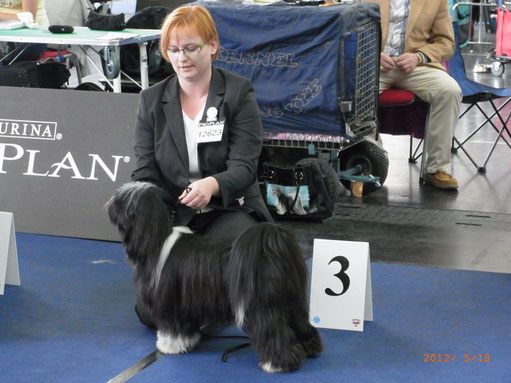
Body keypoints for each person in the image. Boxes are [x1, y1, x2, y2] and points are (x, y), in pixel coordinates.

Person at [130, 5, 272, 327]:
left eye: (191, 48)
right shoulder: (151, 100)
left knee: (228, 262)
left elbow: (245, 167)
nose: (182, 58)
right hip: (176, 215)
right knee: (150, 314)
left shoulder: (237, 92)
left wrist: (212, 185)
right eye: (174, 49)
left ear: (213, 45)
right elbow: (144, 173)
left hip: (230, 208)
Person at [364, 0, 462, 190]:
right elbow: (350, 31)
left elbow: (446, 43)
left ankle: (436, 169)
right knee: (354, 91)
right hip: (373, 63)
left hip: (417, 66)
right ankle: (371, 162)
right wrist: (372, 52)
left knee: (449, 91)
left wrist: (418, 57)